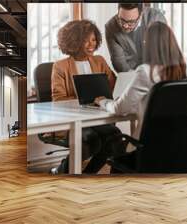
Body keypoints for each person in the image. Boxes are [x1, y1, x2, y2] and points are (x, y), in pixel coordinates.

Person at [95, 22, 187, 171]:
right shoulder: (181, 73)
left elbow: (119, 109)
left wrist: (104, 102)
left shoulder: (145, 71)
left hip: (147, 147)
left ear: (149, 44)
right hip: (176, 147)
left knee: (113, 147)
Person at [50, 20, 121, 174]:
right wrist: (85, 101)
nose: (91, 45)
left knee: (115, 137)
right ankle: (61, 171)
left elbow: (114, 85)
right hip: (75, 120)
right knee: (91, 140)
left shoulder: (99, 61)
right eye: (85, 40)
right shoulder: (60, 66)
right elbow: (58, 99)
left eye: (94, 40)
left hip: (98, 116)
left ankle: (88, 174)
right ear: (74, 41)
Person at [105, 3, 166, 73]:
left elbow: (161, 55)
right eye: (121, 20)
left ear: (140, 15)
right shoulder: (110, 27)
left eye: (131, 22)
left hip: (156, 73)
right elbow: (119, 64)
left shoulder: (156, 18)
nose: (125, 26)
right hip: (130, 76)